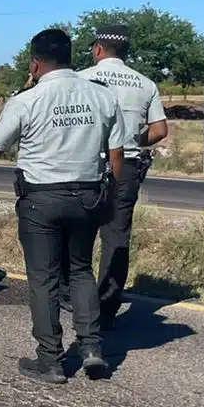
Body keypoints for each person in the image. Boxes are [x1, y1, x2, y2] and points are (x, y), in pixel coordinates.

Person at [0, 28, 126, 385]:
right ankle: (92, 347)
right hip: (87, 196)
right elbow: (116, 150)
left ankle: (50, 360)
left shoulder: (28, 99)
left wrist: (22, 91)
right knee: (80, 269)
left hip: (41, 200)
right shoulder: (101, 96)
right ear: (71, 56)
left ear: (34, 63)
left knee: (44, 278)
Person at [82, 23, 168, 326]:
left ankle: (77, 301)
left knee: (78, 234)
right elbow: (159, 130)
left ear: (97, 49)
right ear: (126, 51)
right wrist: (132, 141)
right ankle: (106, 310)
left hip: (86, 164)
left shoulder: (81, 80)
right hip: (127, 166)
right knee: (116, 239)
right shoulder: (145, 83)